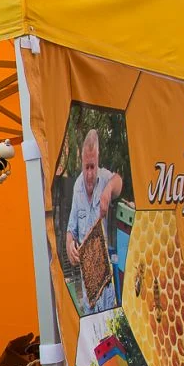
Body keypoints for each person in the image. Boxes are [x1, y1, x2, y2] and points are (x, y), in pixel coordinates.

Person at [66, 129, 123, 314]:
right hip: (87, 280)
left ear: (97, 161)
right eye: (86, 167)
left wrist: (108, 190)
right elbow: (71, 229)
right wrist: (69, 244)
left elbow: (118, 181)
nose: (90, 174)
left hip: (106, 282)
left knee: (108, 320)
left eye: (93, 166)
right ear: (82, 163)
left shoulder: (105, 177)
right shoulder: (77, 186)